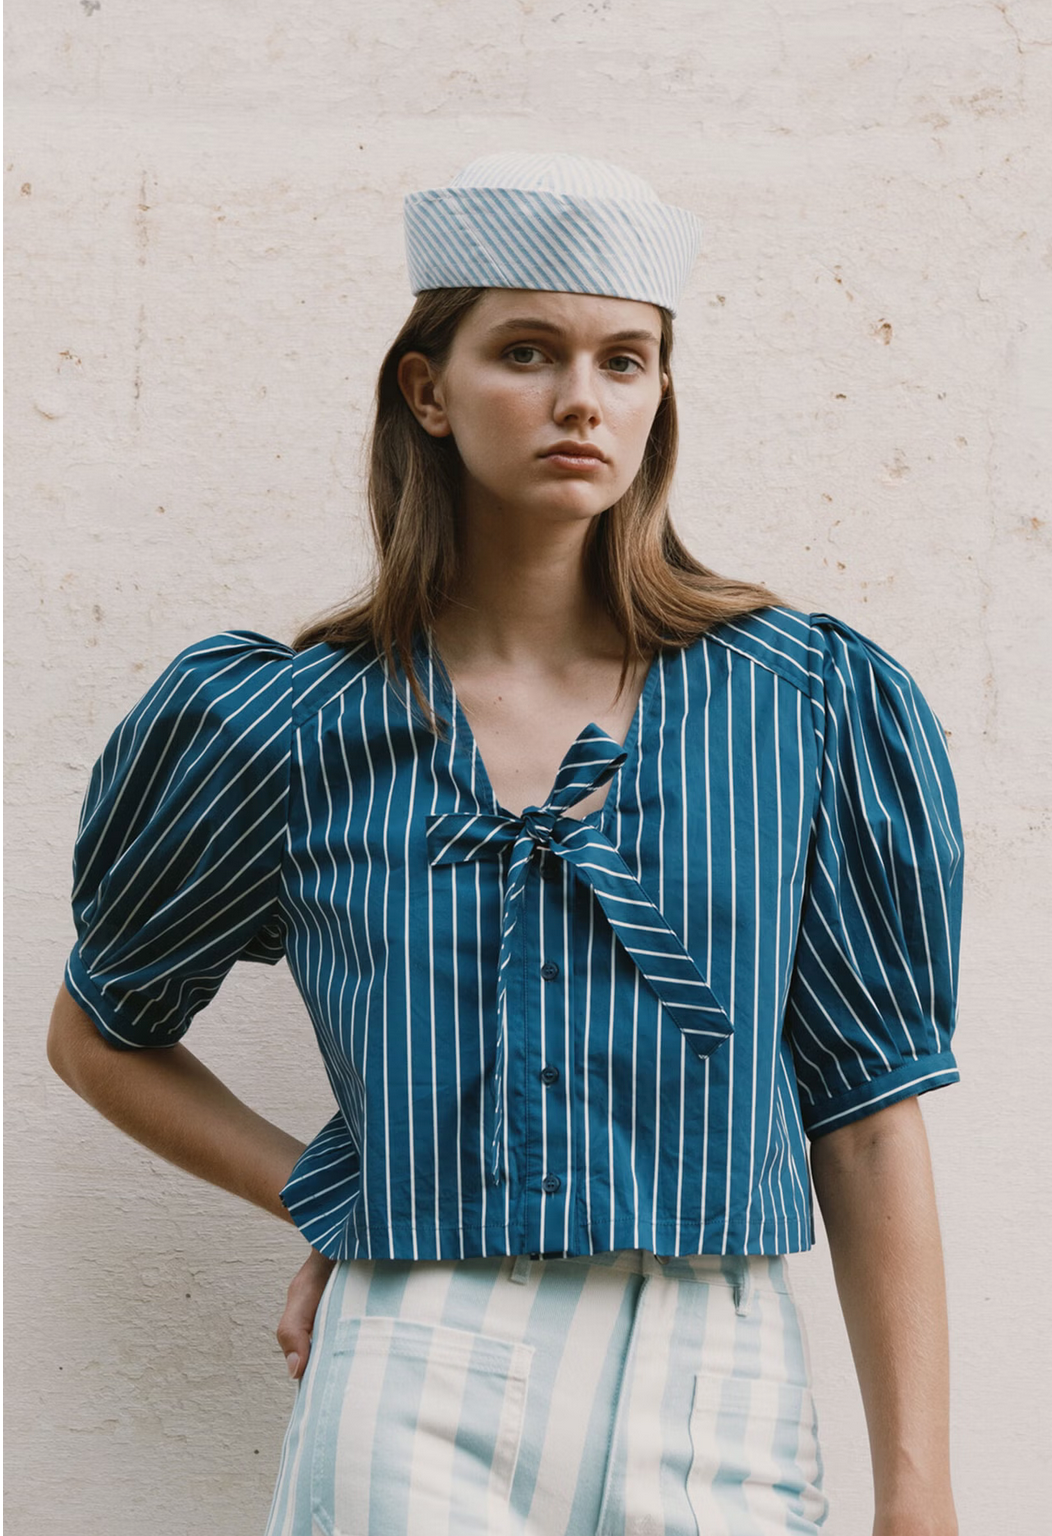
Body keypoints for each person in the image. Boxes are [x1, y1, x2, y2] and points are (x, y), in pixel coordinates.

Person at [47, 153, 963, 1536]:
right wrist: (326, 1200)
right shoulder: (289, 727)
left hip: (718, 1376)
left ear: (659, 395)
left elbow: (872, 1116)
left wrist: (918, 1487)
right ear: (428, 389)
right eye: (527, 352)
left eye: (624, 360)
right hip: (409, 1359)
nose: (581, 399)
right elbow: (98, 1033)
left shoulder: (801, 705)